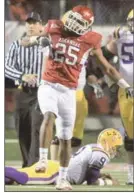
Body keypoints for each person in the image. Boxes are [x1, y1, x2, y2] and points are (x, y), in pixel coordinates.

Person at [23, 5, 133, 190]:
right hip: (49, 84)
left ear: (87, 26)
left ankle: (62, 179)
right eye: (73, 18)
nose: (74, 23)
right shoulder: (54, 27)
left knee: (66, 138)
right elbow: (27, 41)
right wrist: (35, 40)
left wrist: (124, 85)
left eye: (79, 22)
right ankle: (42, 160)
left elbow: (107, 67)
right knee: (49, 116)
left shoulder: (91, 39)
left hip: (70, 90)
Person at [5, 128, 123, 186]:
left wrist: (100, 175)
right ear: (108, 143)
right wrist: (108, 182)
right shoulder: (102, 154)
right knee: (22, 178)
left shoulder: (93, 147)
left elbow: (87, 171)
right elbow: (92, 179)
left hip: (56, 167)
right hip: (56, 172)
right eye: (116, 146)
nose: (116, 150)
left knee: (12, 179)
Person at [5, 12, 48, 167]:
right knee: (22, 129)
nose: (30, 25)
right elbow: (6, 67)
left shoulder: (46, 43)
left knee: (37, 127)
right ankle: (26, 164)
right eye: (28, 23)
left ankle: (35, 164)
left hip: (41, 92)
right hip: (22, 91)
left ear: (41, 25)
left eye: (34, 22)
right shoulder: (17, 45)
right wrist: (22, 75)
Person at [101, 9, 134, 185]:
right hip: (127, 90)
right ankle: (131, 175)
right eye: (132, 20)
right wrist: (109, 77)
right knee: (130, 136)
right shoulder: (121, 35)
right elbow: (102, 55)